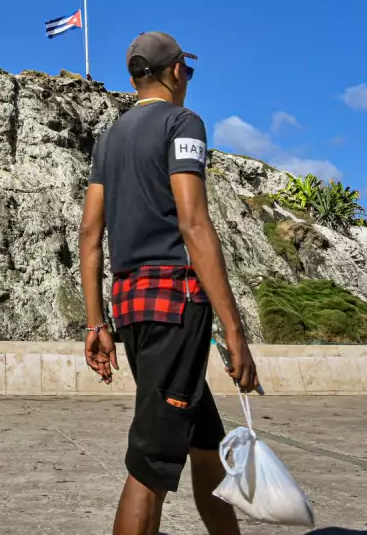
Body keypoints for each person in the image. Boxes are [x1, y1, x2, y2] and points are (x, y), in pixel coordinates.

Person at [79, 32, 260, 535]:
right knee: (151, 464)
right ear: (176, 71)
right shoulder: (184, 123)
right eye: (189, 71)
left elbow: (91, 234)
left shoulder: (109, 138)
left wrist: (98, 322)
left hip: (131, 305)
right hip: (176, 305)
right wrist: (235, 330)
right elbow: (194, 223)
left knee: (205, 446)